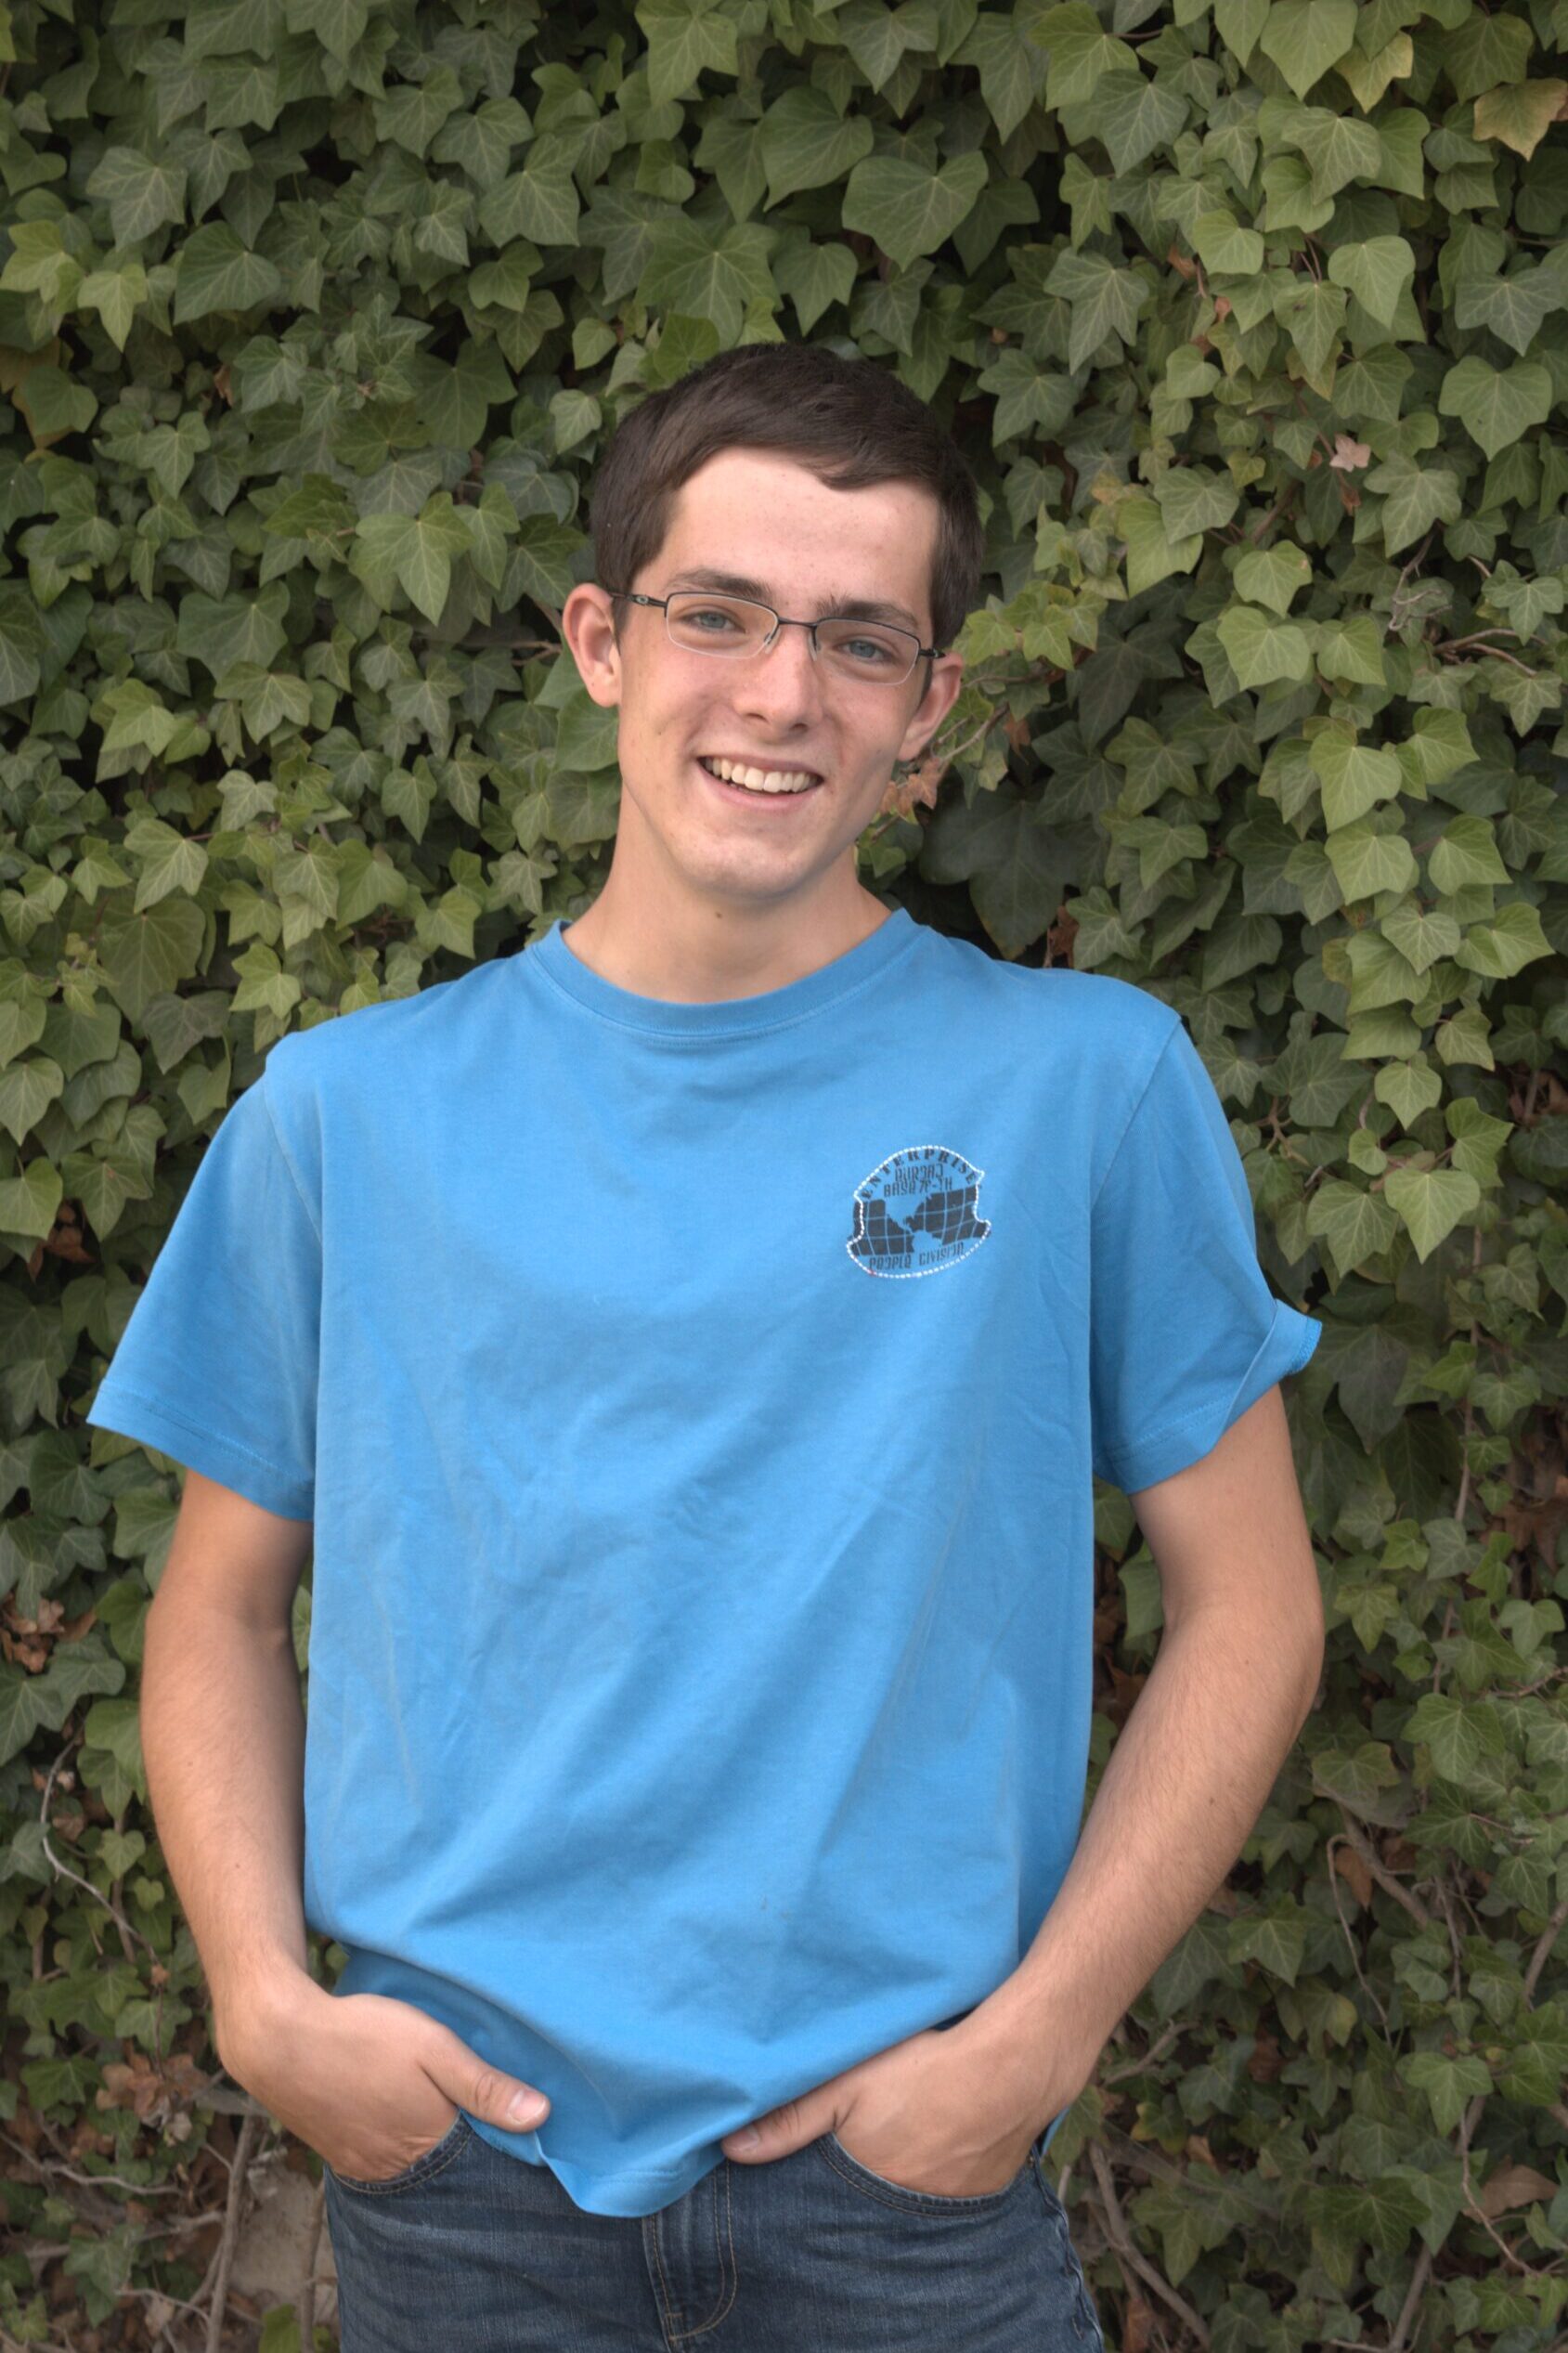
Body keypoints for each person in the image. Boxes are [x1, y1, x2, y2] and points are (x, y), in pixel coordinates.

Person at [85, 341, 1325, 2351]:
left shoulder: (1081, 1088)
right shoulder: (348, 1114)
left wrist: (1035, 2040)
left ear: (927, 705)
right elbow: (216, 1605)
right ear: (602, 640)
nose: (780, 692)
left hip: (905, 2195)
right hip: (466, 2188)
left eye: (858, 638)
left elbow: (1253, 1607)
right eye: (719, 614)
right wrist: (259, 2004)